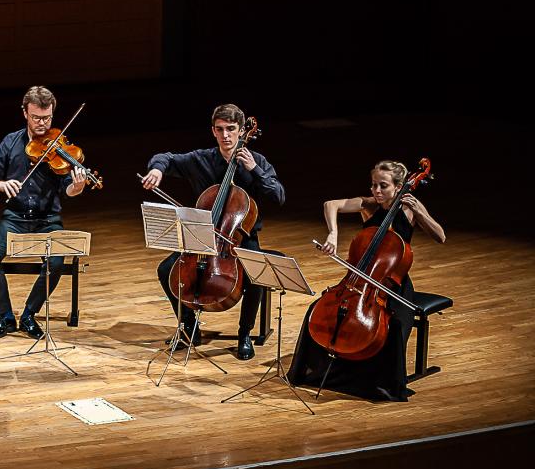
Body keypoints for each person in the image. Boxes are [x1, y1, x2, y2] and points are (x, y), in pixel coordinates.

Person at [289, 159, 446, 401]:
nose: (377, 191)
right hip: (360, 279)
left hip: (394, 283)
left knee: (391, 327)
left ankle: (381, 384)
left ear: (398, 186)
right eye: (374, 185)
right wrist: (333, 232)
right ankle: (318, 372)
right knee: (316, 309)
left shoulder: (409, 209)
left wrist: (421, 211)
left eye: (383, 186)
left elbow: (440, 237)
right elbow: (330, 204)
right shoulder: (370, 206)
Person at [141, 102, 285, 358]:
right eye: (220, 129)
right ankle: (188, 325)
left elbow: (278, 195)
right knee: (166, 270)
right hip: (204, 235)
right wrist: (156, 169)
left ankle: (244, 335)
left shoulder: (257, 161)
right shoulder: (201, 159)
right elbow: (166, 158)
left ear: (242, 131)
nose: (226, 135)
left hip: (240, 237)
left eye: (231, 129)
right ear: (213, 131)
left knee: (256, 275)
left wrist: (254, 170)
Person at [0, 84, 88, 340]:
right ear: (25, 113)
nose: (42, 123)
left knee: (57, 262)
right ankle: (4, 315)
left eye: (47, 117)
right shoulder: (10, 142)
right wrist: (1, 184)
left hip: (47, 219)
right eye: (37, 117)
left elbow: (67, 189)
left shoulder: (59, 147)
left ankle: (29, 314)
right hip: (14, 218)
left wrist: (78, 186)